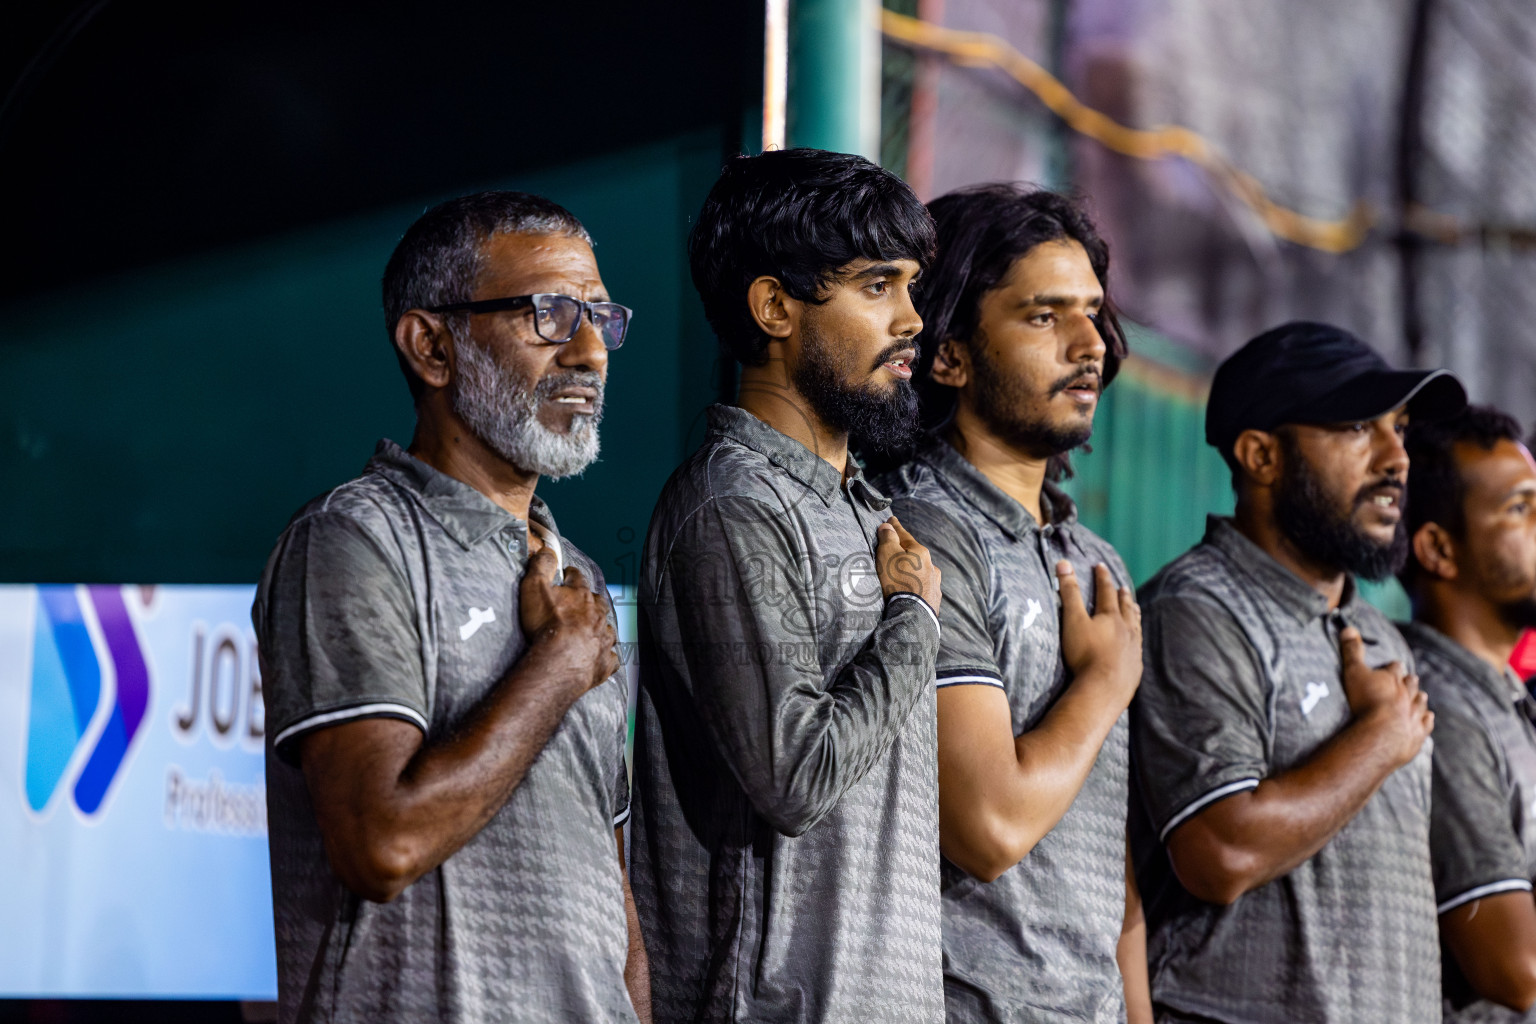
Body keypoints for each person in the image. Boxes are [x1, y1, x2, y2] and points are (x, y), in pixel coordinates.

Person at [252, 191, 648, 1023]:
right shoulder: (355, 538)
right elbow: (380, 843)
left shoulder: (576, 580)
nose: (589, 351)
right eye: (549, 314)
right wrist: (557, 669)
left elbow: (609, 889)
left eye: (600, 316)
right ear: (433, 346)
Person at [628, 148, 945, 1023]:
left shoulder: (864, 506)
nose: (913, 318)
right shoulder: (730, 503)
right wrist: (915, 621)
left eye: (913, 286)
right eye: (878, 285)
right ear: (774, 307)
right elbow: (796, 776)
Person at [1129, 321, 1466, 1023]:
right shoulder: (1197, 610)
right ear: (1260, 455)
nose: (1396, 458)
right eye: (1357, 428)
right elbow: (1220, 850)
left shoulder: (1379, 637)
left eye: (1399, 429)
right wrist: (1379, 736)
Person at [876, 184, 1150, 1023]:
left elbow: (1112, 861)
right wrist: (1103, 686)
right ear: (950, 353)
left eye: (1093, 313)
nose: (1089, 344)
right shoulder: (919, 528)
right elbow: (987, 827)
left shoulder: (1094, 560)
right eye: (1042, 317)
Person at [1398, 406, 1536, 1019]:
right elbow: (1516, 968)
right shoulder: (1444, 707)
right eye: (1520, 508)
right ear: (1438, 549)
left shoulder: (1502, 696)